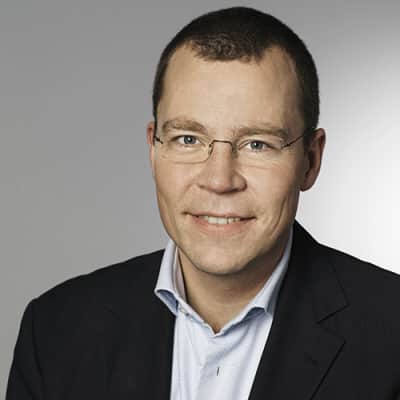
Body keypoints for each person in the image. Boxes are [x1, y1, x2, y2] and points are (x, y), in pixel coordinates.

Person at [6, 6, 400, 400]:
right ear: (153, 150)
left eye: (257, 144)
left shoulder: (390, 335)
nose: (219, 180)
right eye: (188, 139)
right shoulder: (55, 330)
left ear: (310, 161)